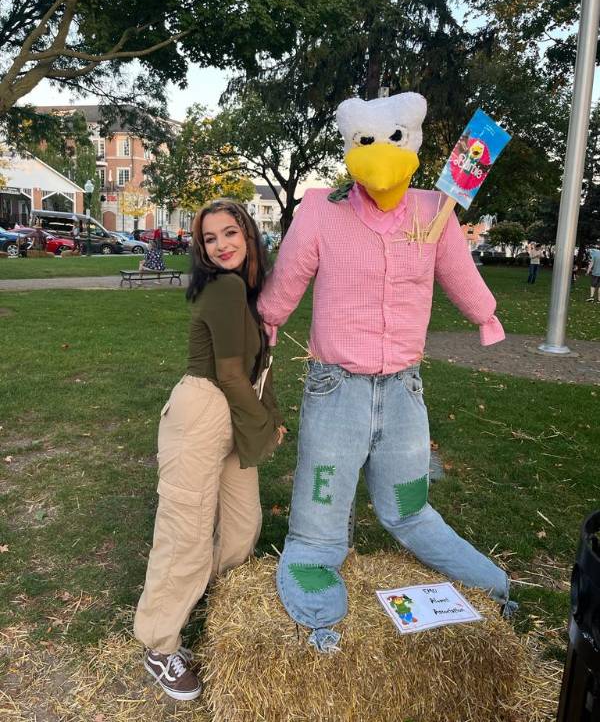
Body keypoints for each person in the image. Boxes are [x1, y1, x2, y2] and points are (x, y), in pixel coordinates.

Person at [258, 91, 515, 653]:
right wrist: (268, 320)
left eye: (391, 138)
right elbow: (290, 275)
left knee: (410, 507)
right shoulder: (321, 211)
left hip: (404, 390)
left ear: (413, 140)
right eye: (364, 142)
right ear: (351, 147)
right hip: (336, 388)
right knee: (321, 513)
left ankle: (492, 584)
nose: (377, 154)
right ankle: (316, 588)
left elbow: (458, 271)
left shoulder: (435, 212)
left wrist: (485, 314)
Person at [133, 199, 285, 700]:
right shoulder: (224, 287)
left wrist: (270, 416)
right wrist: (262, 423)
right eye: (209, 239)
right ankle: (160, 645)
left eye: (229, 232)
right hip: (202, 413)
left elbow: (253, 371)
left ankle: (220, 612)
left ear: (248, 232)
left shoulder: (246, 289)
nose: (221, 245)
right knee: (186, 533)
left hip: (235, 412)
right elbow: (229, 375)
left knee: (242, 526)